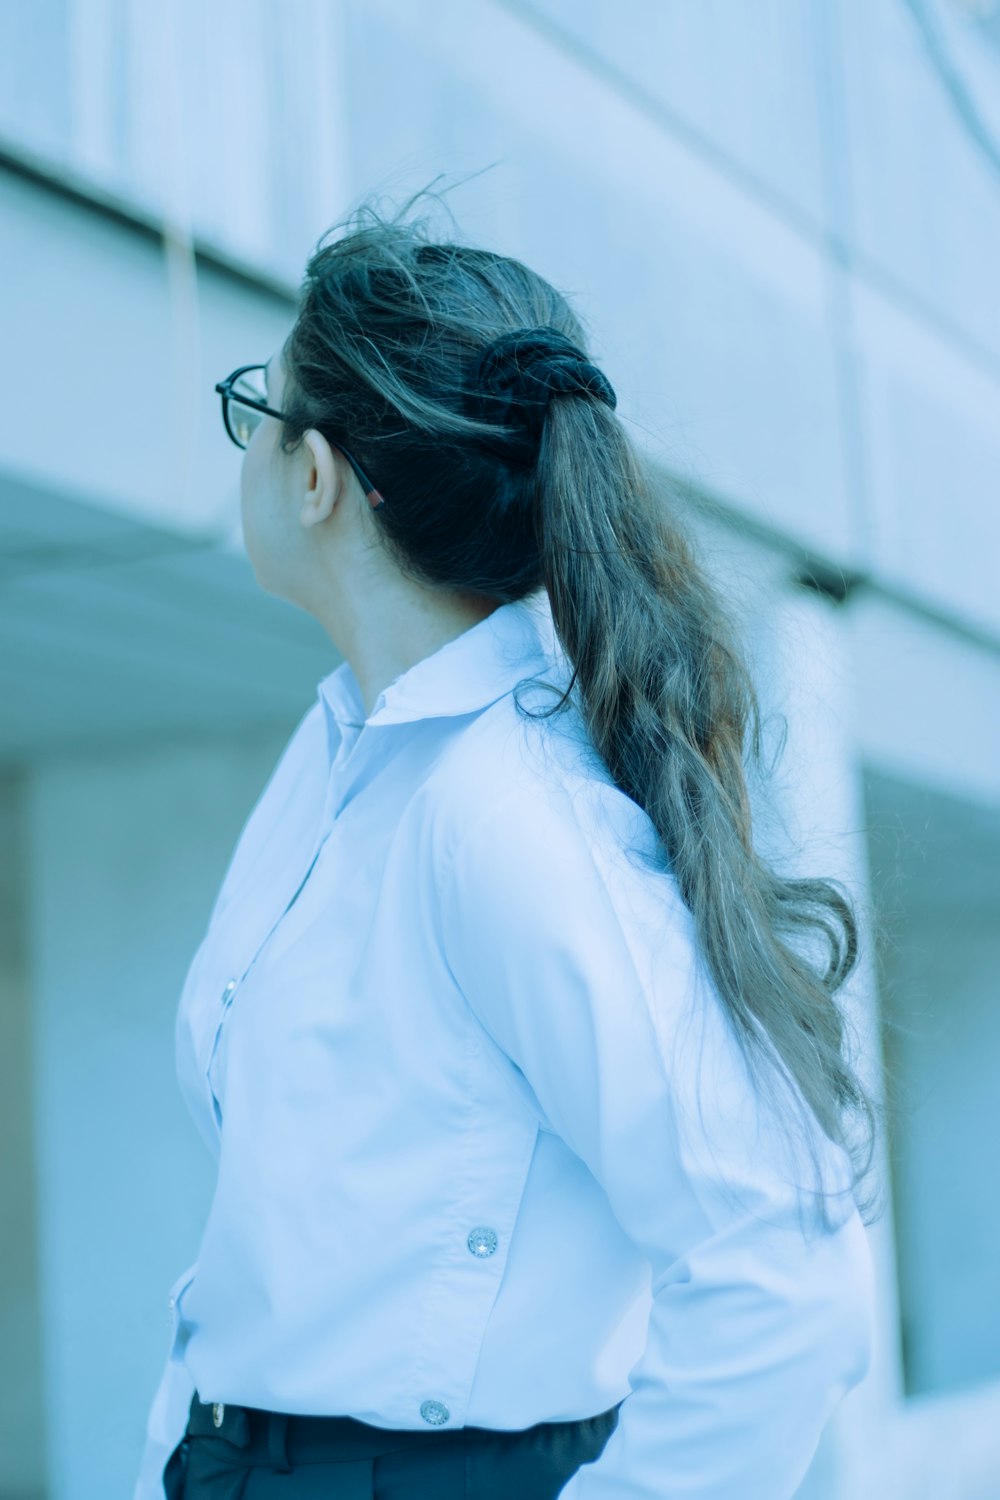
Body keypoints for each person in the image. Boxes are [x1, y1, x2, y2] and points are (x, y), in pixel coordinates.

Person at [133, 189, 881, 1500]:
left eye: (259, 409)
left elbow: (788, 1282)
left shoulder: (504, 818)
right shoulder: (347, 758)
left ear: (315, 479)